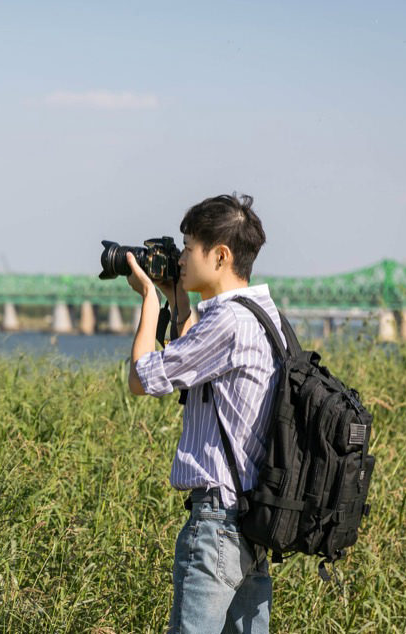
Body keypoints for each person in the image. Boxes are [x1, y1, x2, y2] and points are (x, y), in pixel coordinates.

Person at [125, 193, 287, 634]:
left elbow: (141, 379)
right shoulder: (264, 316)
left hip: (217, 524)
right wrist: (179, 300)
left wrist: (149, 304)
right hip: (251, 524)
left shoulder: (228, 323)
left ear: (220, 255)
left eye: (189, 247)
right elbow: (197, 361)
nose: (180, 258)